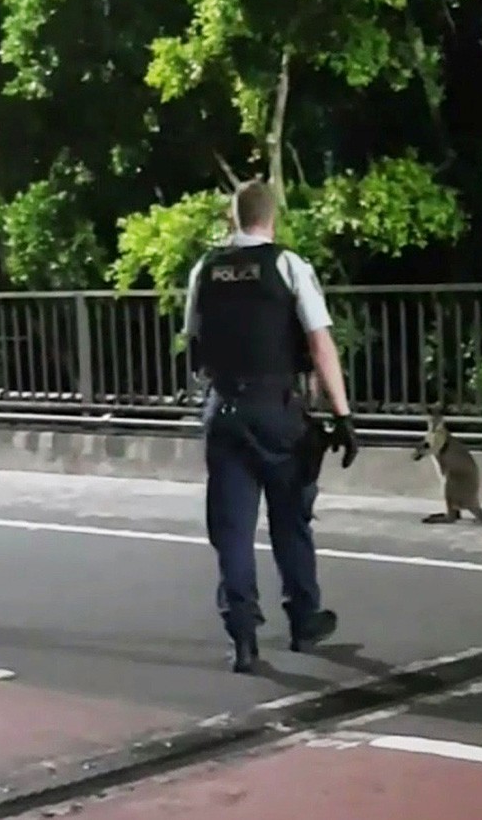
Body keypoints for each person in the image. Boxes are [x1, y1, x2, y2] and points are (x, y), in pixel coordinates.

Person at [183, 178, 359, 674]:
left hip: (224, 410)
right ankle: (304, 618)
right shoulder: (287, 265)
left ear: (233, 218)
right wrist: (342, 416)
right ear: (272, 216)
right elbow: (321, 344)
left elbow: (194, 345)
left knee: (232, 529)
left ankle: (243, 635)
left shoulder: (205, 269)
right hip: (277, 409)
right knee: (291, 518)